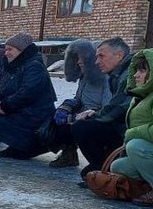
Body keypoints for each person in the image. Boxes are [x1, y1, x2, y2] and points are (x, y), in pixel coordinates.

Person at [0, 33, 56, 159]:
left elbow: (28, 92)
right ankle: (11, 145)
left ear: (22, 50)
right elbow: (3, 87)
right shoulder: (12, 65)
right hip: (22, 106)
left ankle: (26, 147)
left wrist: (5, 105)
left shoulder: (34, 66)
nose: (6, 53)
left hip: (36, 110)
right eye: (5, 49)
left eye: (10, 49)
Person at [71, 37, 135, 181]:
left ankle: (104, 167)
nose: (96, 61)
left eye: (101, 56)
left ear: (118, 55)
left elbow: (120, 107)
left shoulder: (129, 74)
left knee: (81, 128)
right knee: (79, 124)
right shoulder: (117, 73)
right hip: (122, 123)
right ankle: (102, 164)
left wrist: (94, 116)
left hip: (129, 127)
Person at [42, 39, 111, 167]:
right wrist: (66, 106)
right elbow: (79, 99)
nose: (79, 61)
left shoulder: (105, 79)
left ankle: (98, 162)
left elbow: (107, 106)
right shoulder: (84, 77)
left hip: (94, 117)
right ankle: (69, 154)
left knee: (71, 126)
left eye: (81, 58)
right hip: (82, 113)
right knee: (54, 119)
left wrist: (76, 117)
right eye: (77, 58)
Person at [109, 48, 153, 206]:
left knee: (136, 146)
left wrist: (132, 133)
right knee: (118, 166)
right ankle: (150, 184)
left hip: (151, 147)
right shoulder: (144, 93)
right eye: (136, 70)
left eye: (142, 70)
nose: (136, 75)